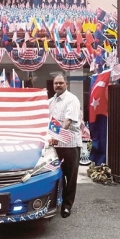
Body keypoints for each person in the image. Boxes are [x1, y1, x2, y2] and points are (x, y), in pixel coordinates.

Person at [49, 74, 82, 218]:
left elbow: (67, 122)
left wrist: (57, 136)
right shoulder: (50, 102)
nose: (58, 85)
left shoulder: (72, 100)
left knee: (70, 176)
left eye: (61, 83)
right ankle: (54, 202)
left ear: (66, 84)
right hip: (53, 147)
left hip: (70, 145)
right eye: (56, 83)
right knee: (54, 174)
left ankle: (67, 206)